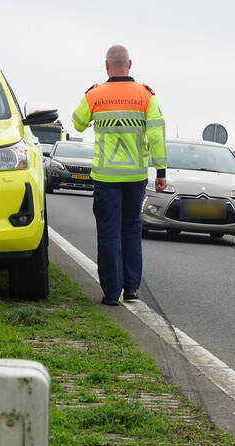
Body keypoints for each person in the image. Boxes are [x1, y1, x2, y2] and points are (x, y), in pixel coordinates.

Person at [71, 45, 167, 305]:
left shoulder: (95, 95)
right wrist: (161, 171)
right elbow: (156, 135)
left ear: (106, 66)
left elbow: (77, 123)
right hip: (135, 177)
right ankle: (132, 288)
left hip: (106, 178)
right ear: (130, 64)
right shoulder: (146, 95)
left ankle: (112, 293)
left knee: (109, 233)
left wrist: (91, 102)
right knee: (132, 229)